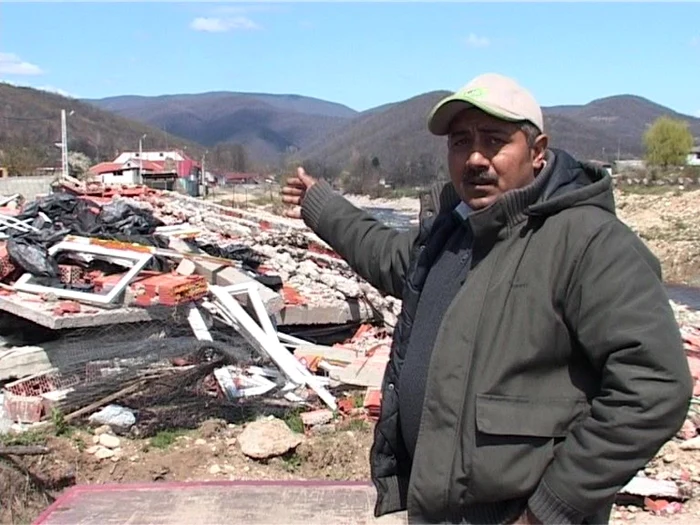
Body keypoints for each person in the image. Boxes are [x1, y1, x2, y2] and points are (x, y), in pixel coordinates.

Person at [281, 73, 693, 524]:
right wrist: (319, 205)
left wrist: (551, 508)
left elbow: (653, 386)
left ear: (537, 153)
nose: (475, 157)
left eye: (494, 141)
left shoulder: (588, 243)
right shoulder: (451, 236)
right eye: (461, 142)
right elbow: (385, 255)